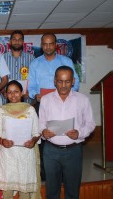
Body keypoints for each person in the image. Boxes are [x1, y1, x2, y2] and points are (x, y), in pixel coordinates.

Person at [27, 33, 80, 181]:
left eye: (51, 44)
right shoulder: (35, 63)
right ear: (41, 45)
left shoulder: (66, 61)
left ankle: (65, 173)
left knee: (64, 135)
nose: (48, 47)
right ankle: (46, 173)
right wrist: (35, 95)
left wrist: (66, 94)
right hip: (43, 106)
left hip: (64, 105)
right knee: (44, 138)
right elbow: (31, 87)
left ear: (56, 45)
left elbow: (75, 84)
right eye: (45, 44)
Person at [39, 66, 96, 199]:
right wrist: (43, 131)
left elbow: (91, 123)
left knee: (72, 191)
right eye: (60, 81)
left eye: (67, 81)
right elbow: (41, 122)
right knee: (52, 191)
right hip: (51, 151)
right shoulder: (46, 100)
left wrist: (79, 133)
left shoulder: (83, 100)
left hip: (73, 150)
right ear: (54, 81)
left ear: (73, 81)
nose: (63, 85)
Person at [0, 80, 41, 199]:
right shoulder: (1, 110)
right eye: (9, 92)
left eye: (16, 91)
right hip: (7, 154)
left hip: (25, 153)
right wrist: (2, 141)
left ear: (22, 93)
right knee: (7, 190)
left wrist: (33, 141)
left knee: (24, 191)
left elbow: (37, 132)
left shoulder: (30, 109)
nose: (13, 95)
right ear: (5, 95)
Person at [3, 30, 35, 104]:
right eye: (14, 39)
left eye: (19, 40)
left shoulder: (31, 58)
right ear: (10, 42)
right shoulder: (2, 58)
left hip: (26, 100)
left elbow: (34, 78)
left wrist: (29, 91)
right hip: (7, 101)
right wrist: (3, 91)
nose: (17, 42)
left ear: (23, 42)